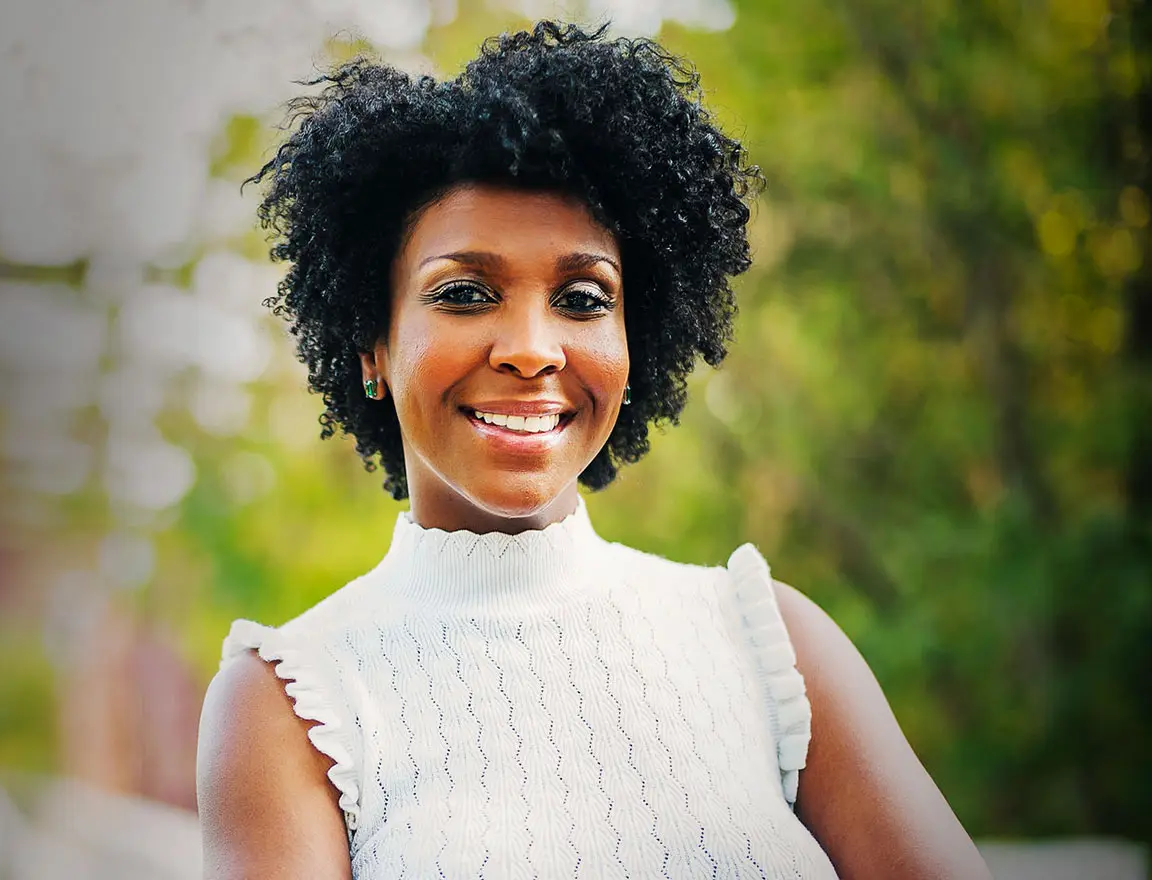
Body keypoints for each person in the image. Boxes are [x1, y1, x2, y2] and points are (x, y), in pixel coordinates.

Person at [195, 22, 990, 880]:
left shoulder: (772, 642)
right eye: (464, 294)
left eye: (581, 298)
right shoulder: (292, 702)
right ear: (371, 348)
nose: (532, 348)